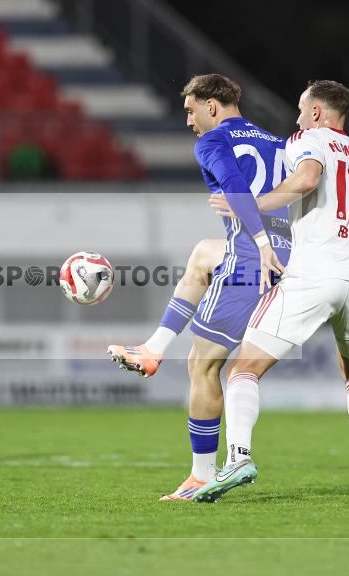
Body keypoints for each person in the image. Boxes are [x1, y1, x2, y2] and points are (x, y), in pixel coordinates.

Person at [192, 80, 349, 502]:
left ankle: (237, 458)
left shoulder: (307, 139)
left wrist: (252, 204)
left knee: (242, 370)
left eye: (301, 109)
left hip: (314, 273)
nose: (296, 117)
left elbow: (307, 180)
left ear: (317, 113)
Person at [110, 74, 290, 501]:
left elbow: (235, 187)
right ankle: (153, 348)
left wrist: (260, 243)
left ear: (212, 106)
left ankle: (202, 476)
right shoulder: (280, 142)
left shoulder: (213, 141)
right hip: (294, 258)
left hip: (255, 260)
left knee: (202, 366)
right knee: (203, 254)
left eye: (192, 111)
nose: (189, 121)